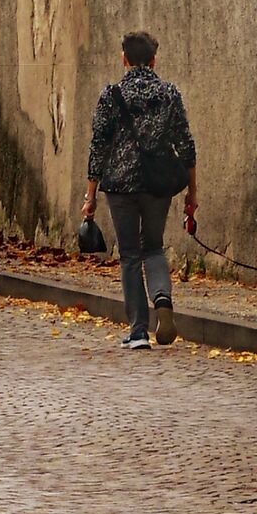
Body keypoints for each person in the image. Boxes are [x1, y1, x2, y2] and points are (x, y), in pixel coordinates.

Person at [81, 28, 197, 349]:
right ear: (154, 60)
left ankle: (137, 332)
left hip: (120, 186)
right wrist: (192, 194)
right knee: (155, 247)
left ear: (124, 59)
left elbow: (98, 146)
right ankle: (162, 299)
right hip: (157, 185)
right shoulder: (170, 94)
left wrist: (90, 196)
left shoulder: (111, 95)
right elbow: (186, 146)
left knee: (130, 254)